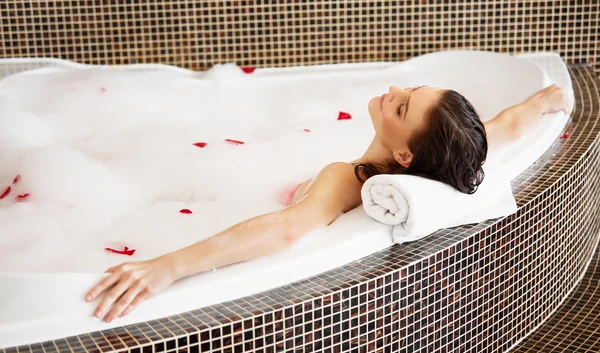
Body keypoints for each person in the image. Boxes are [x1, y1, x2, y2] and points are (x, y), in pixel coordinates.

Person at [85, 83, 572, 323]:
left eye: (402, 107)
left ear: (405, 154)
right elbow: (507, 126)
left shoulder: (349, 178)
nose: (395, 91)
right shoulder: (446, 153)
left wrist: (168, 265)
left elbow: (287, 230)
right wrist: (544, 101)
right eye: (411, 90)